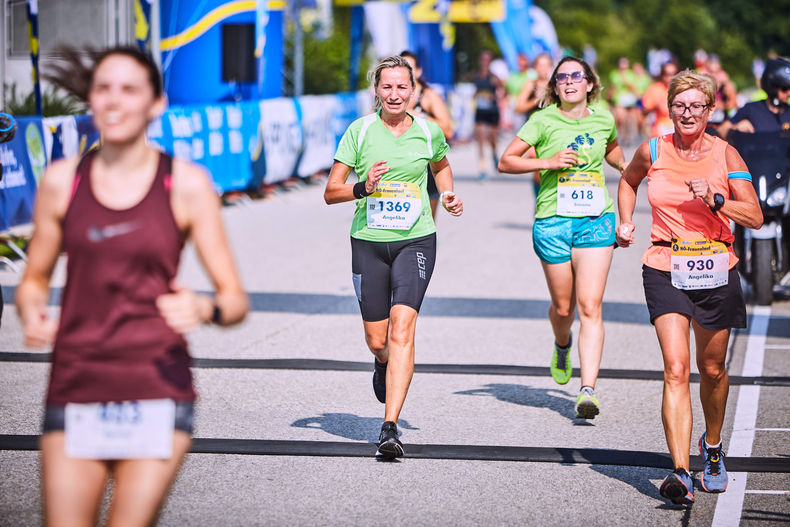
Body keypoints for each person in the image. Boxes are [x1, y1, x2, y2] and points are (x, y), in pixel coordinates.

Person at [15, 46, 249, 525]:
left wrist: (203, 309)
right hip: (77, 381)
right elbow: (33, 279)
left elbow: (235, 300)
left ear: (156, 103)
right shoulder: (63, 182)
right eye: (103, 89)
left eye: (129, 90)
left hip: (155, 387)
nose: (113, 102)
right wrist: (32, 310)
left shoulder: (185, 184)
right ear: (90, 99)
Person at [616, 70, 762, 505]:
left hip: (717, 267)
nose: (686, 113)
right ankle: (679, 469)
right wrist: (625, 221)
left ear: (710, 111)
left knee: (712, 368)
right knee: (676, 367)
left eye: (696, 106)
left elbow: (754, 216)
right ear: (670, 107)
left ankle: (712, 447)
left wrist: (716, 200)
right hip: (665, 264)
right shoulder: (653, 149)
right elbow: (627, 181)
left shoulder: (726, 155)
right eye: (679, 105)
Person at [323, 56, 463, 458]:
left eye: (402, 87)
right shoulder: (360, 131)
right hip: (368, 241)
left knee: (403, 328)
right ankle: (382, 363)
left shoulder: (428, 131)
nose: (395, 94)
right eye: (387, 87)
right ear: (377, 91)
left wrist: (448, 193)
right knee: (377, 339)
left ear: (414, 90)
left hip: (415, 240)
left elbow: (442, 167)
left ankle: (389, 427)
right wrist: (363, 187)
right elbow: (331, 191)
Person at [498, 56, 626, 419]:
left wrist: (625, 166)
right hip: (552, 222)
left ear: (589, 84)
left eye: (577, 76)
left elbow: (611, 147)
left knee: (590, 306)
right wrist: (548, 162)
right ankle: (561, 342)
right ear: (554, 87)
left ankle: (587, 390)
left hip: (594, 220)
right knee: (565, 308)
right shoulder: (542, 121)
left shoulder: (603, 117)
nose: (569, 81)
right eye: (562, 77)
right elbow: (506, 161)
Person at [400, 50, 454, 218]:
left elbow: (448, 129)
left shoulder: (428, 96)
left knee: (426, 223)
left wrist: (420, 116)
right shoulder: (391, 98)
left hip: (426, 167)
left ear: (418, 71)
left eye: (409, 67)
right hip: (400, 166)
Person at [718, 57, 790, 139]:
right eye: (784, 88)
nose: (789, 93)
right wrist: (735, 128)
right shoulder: (750, 109)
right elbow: (720, 131)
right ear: (771, 86)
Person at [514, 53, 554, 198]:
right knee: (538, 170)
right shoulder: (530, 85)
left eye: (546, 65)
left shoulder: (555, 85)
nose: (543, 69)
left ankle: (550, 202)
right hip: (534, 134)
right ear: (535, 67)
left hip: (553, 132)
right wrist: (537, 100)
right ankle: (539, 203)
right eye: (540, 65)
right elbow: (518, 108)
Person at [471, 50, 506, 180]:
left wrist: (494, 96)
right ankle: (482, 168)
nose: (485, 62)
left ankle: (494, 154)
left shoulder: (494, 77)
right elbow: (475, 91)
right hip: (480, 111)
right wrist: (476, 96)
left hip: (492, 112)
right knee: (480, 138)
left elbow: (503, 92)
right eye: (483, 59)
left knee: (492, 139)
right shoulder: (476, 76)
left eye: (487, 60)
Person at [642, 61, 680, 138]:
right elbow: (644, 112)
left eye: (674, 74)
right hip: (661, 127)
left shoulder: (681, 89)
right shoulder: (654, 88)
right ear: (662, 75)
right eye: (668, 74)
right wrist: (655, 106)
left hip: (679, 126)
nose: (671, 77)